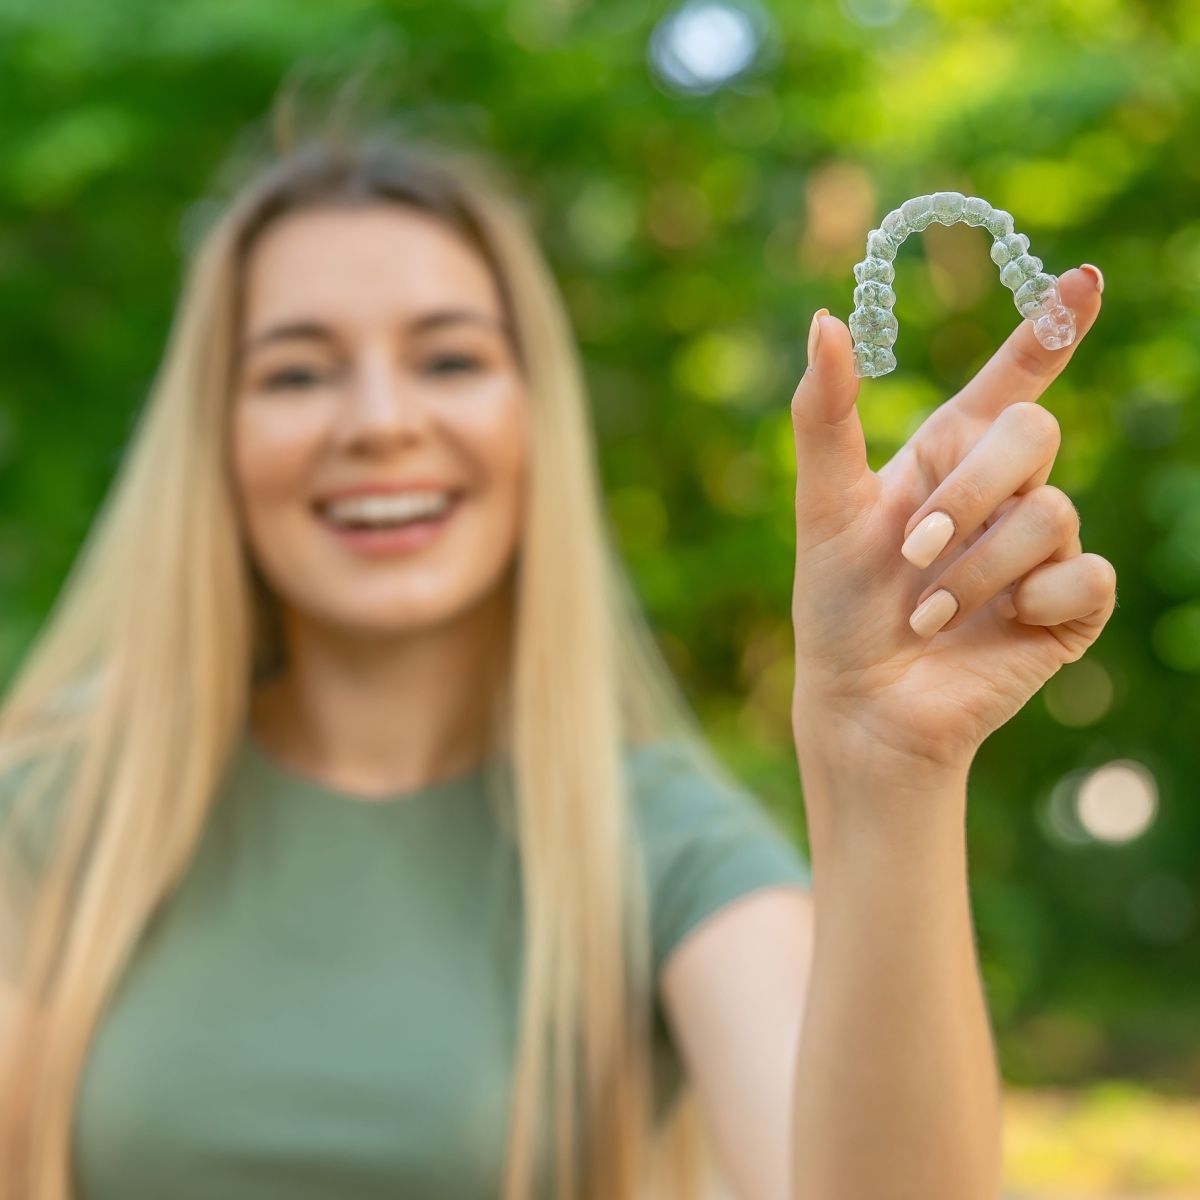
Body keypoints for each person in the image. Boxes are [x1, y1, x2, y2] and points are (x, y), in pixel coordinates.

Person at [0, 103, 1116, 1200]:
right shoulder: (57, 812)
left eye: (448, 360)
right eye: (297, 372)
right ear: (217, 439)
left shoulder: (659, 846)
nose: (381, 421)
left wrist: (889, 768)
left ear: (535, 418)